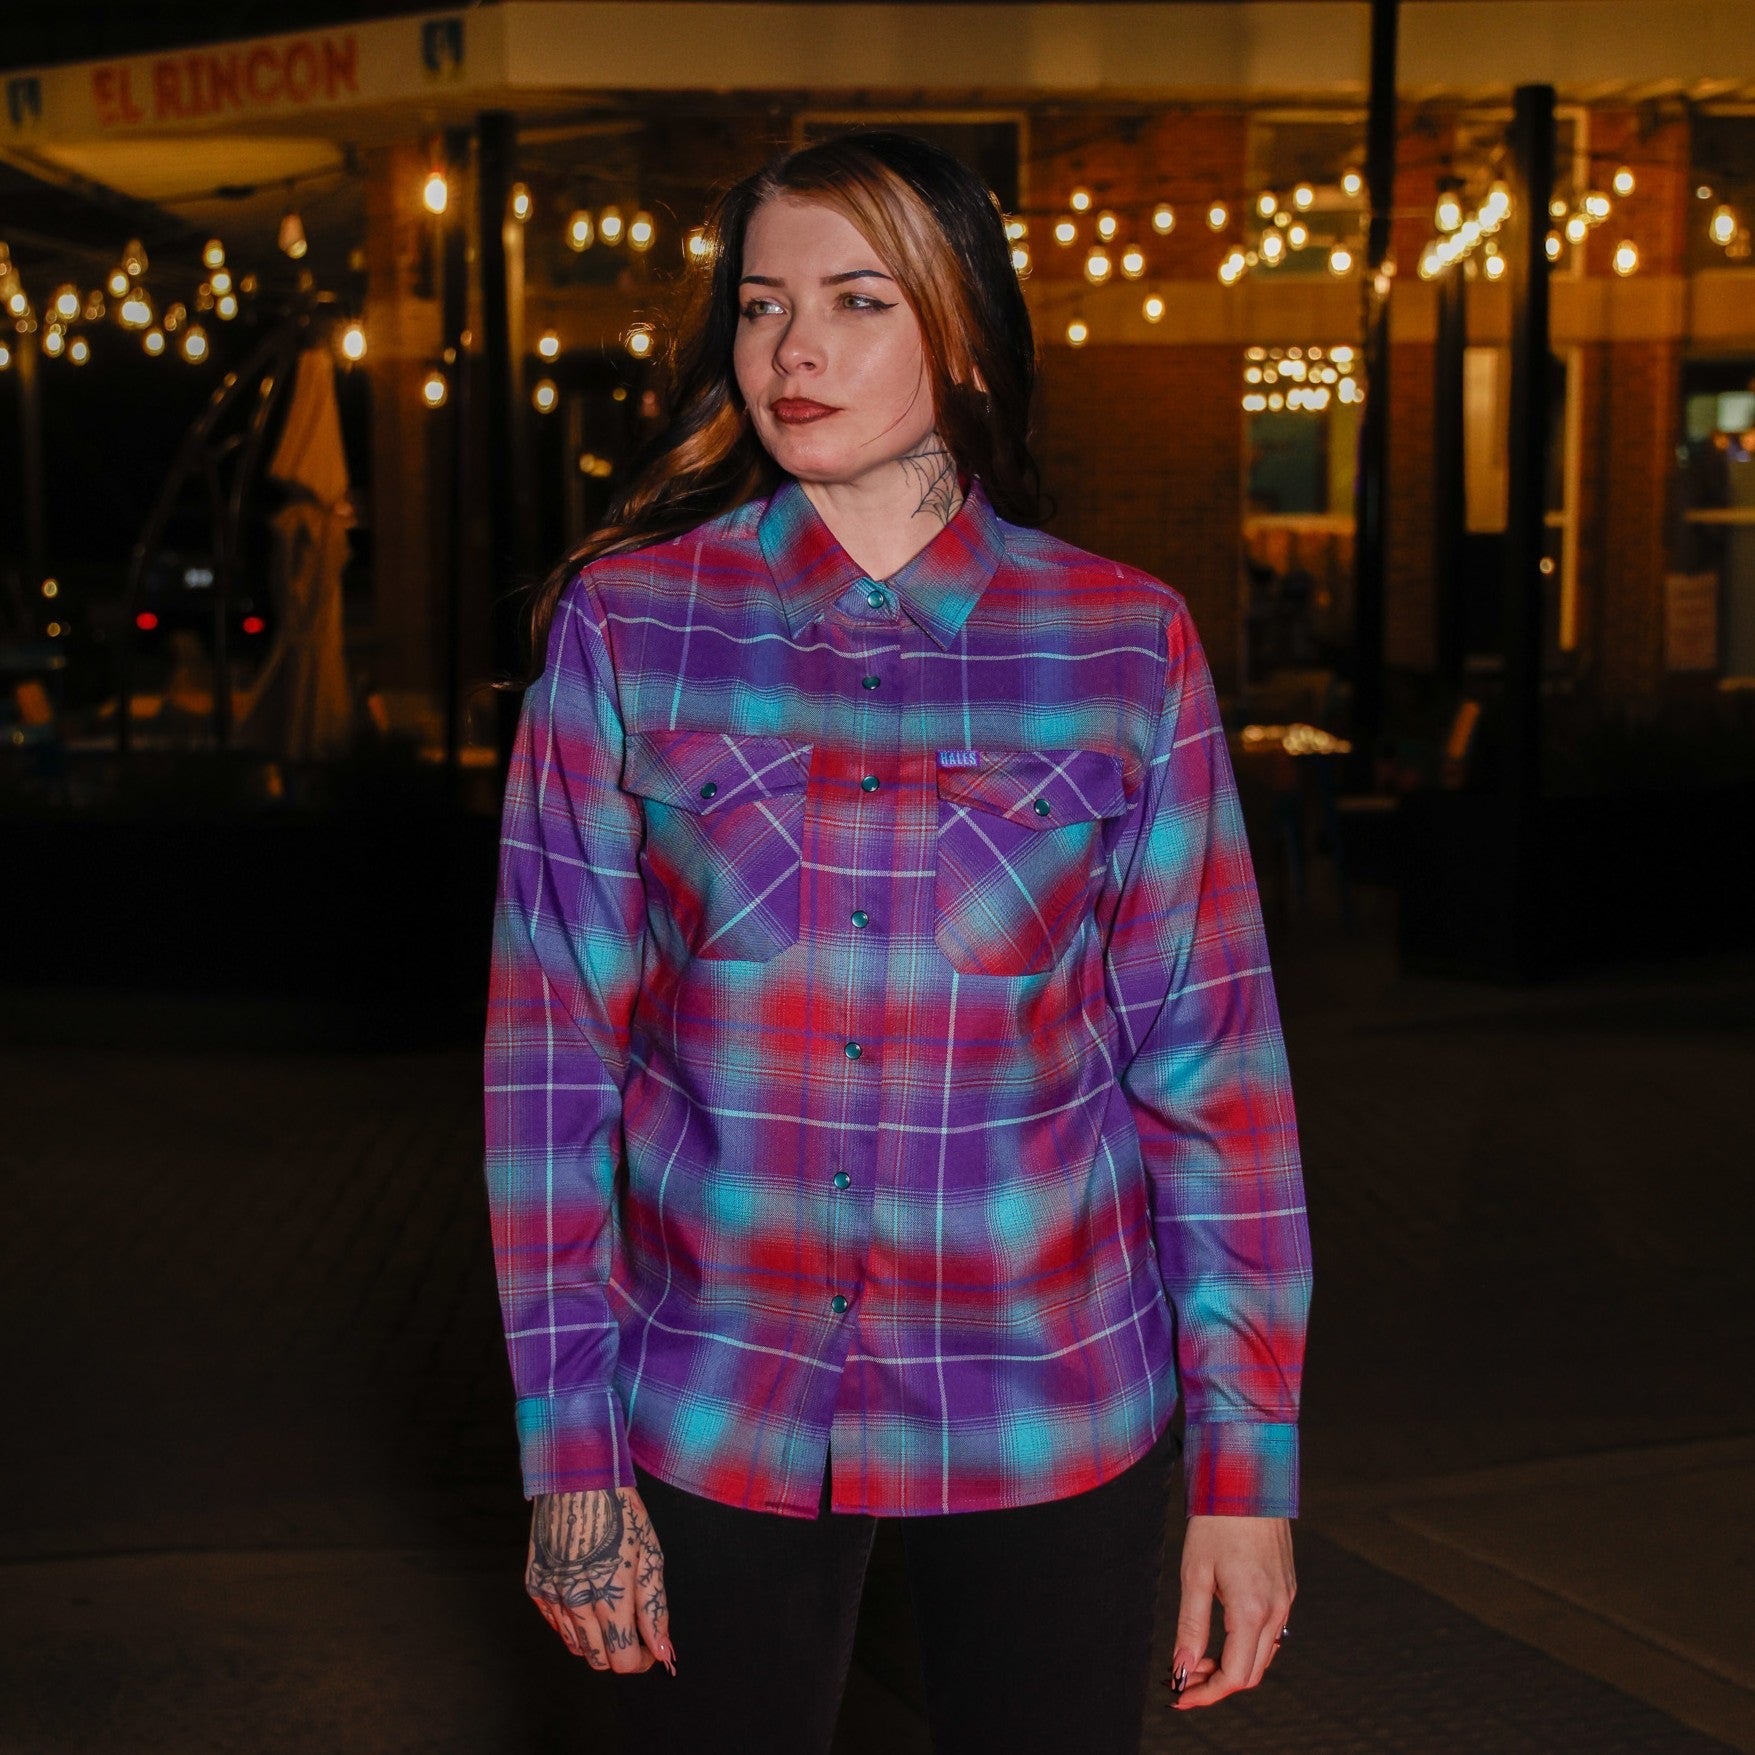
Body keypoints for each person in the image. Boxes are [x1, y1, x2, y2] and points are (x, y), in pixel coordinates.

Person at [483, 131, 1310, 1755]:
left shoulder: (1122, 640)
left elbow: (1216, 1082)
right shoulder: (629, 627)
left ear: (969, 336)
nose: (793, 351)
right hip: (710, 1400)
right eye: (762, 305)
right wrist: (569, 1451)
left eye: (857, 301)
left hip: (1054, 1402)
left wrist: (1247, 1472)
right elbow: (549, 1068)